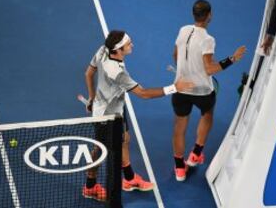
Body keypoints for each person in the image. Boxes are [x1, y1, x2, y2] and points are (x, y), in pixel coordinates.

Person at [82, 30, 194, 201]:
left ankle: (129, 178)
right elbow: (143, 94)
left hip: (117, 108)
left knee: (125, 139)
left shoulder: (103, 49)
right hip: (106, 117)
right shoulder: (117, 72)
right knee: (100, 149)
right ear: (118, 50)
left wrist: (91, 97)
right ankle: (90, 187)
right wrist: (174, 88)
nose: (132, 45)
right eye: (128, 44)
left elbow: (88, 74)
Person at [171, 0, 246, 181]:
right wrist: (233, 58)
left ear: (193, 15)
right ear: (209, 15)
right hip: (203, 91)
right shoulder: (208, 39)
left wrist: (186, 71)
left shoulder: (183, 30)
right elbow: (209, 69)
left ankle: (180, 169)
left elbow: (175, 55)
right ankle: (196, 154)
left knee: (179, 128)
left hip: (180, 88)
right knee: (207, 115)